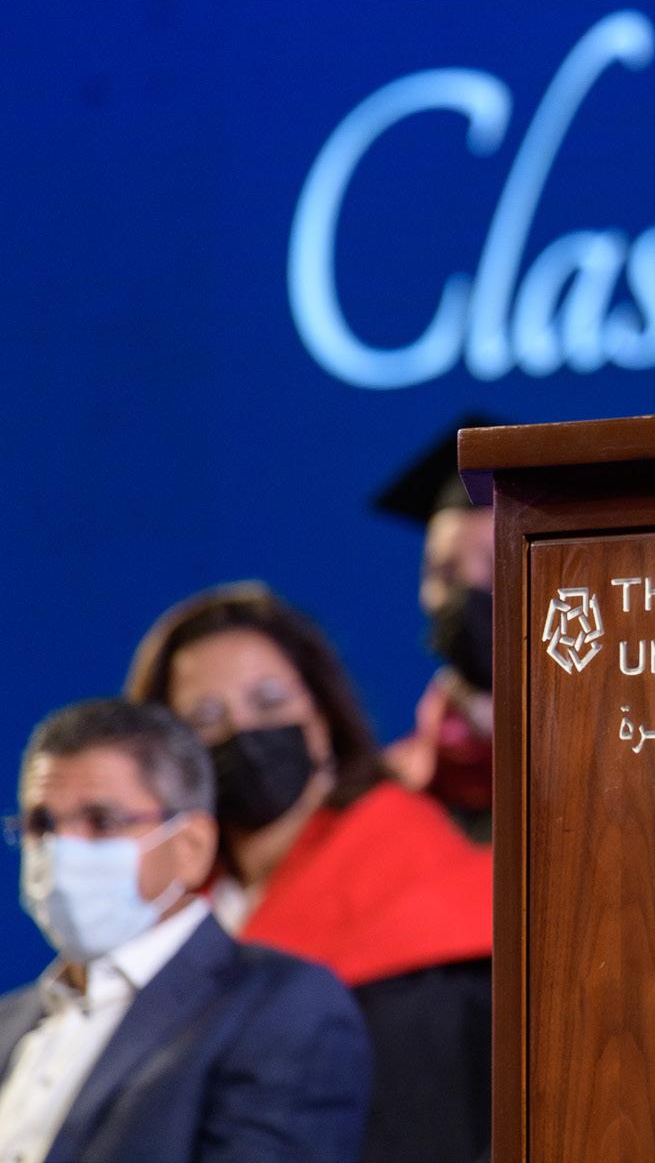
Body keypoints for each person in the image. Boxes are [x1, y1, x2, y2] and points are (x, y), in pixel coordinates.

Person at [125, 590, 489, 1163]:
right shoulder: (163, 910)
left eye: (268, 704)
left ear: (321, 723)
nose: (242, 733)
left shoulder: (417, 882)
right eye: (205, 719)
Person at [2, 698, 369, 1161]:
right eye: (41, 825)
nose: (59, 850)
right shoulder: (9, 1022)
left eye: (101, 822)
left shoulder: (284, 1009)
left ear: (190, 845)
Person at [370, 420, 503, 843]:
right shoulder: (389, 792)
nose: (470, 592)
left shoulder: (612, 772)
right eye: (445, 572)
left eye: (499, 565)